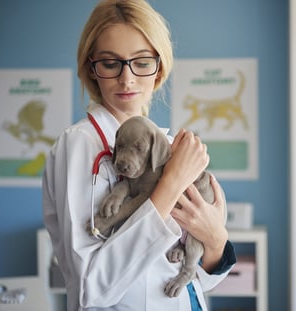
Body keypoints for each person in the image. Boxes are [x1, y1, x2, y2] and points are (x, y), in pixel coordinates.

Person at [42, 0, 236, 310]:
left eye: (142, 61)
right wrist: (170, 185)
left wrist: (214, 238)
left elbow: (204, 278)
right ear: (91, 68)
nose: (127, 78)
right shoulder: (80, 145)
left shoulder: (169, 146)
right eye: (110, 63)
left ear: (160, 66)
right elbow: (89, 288)